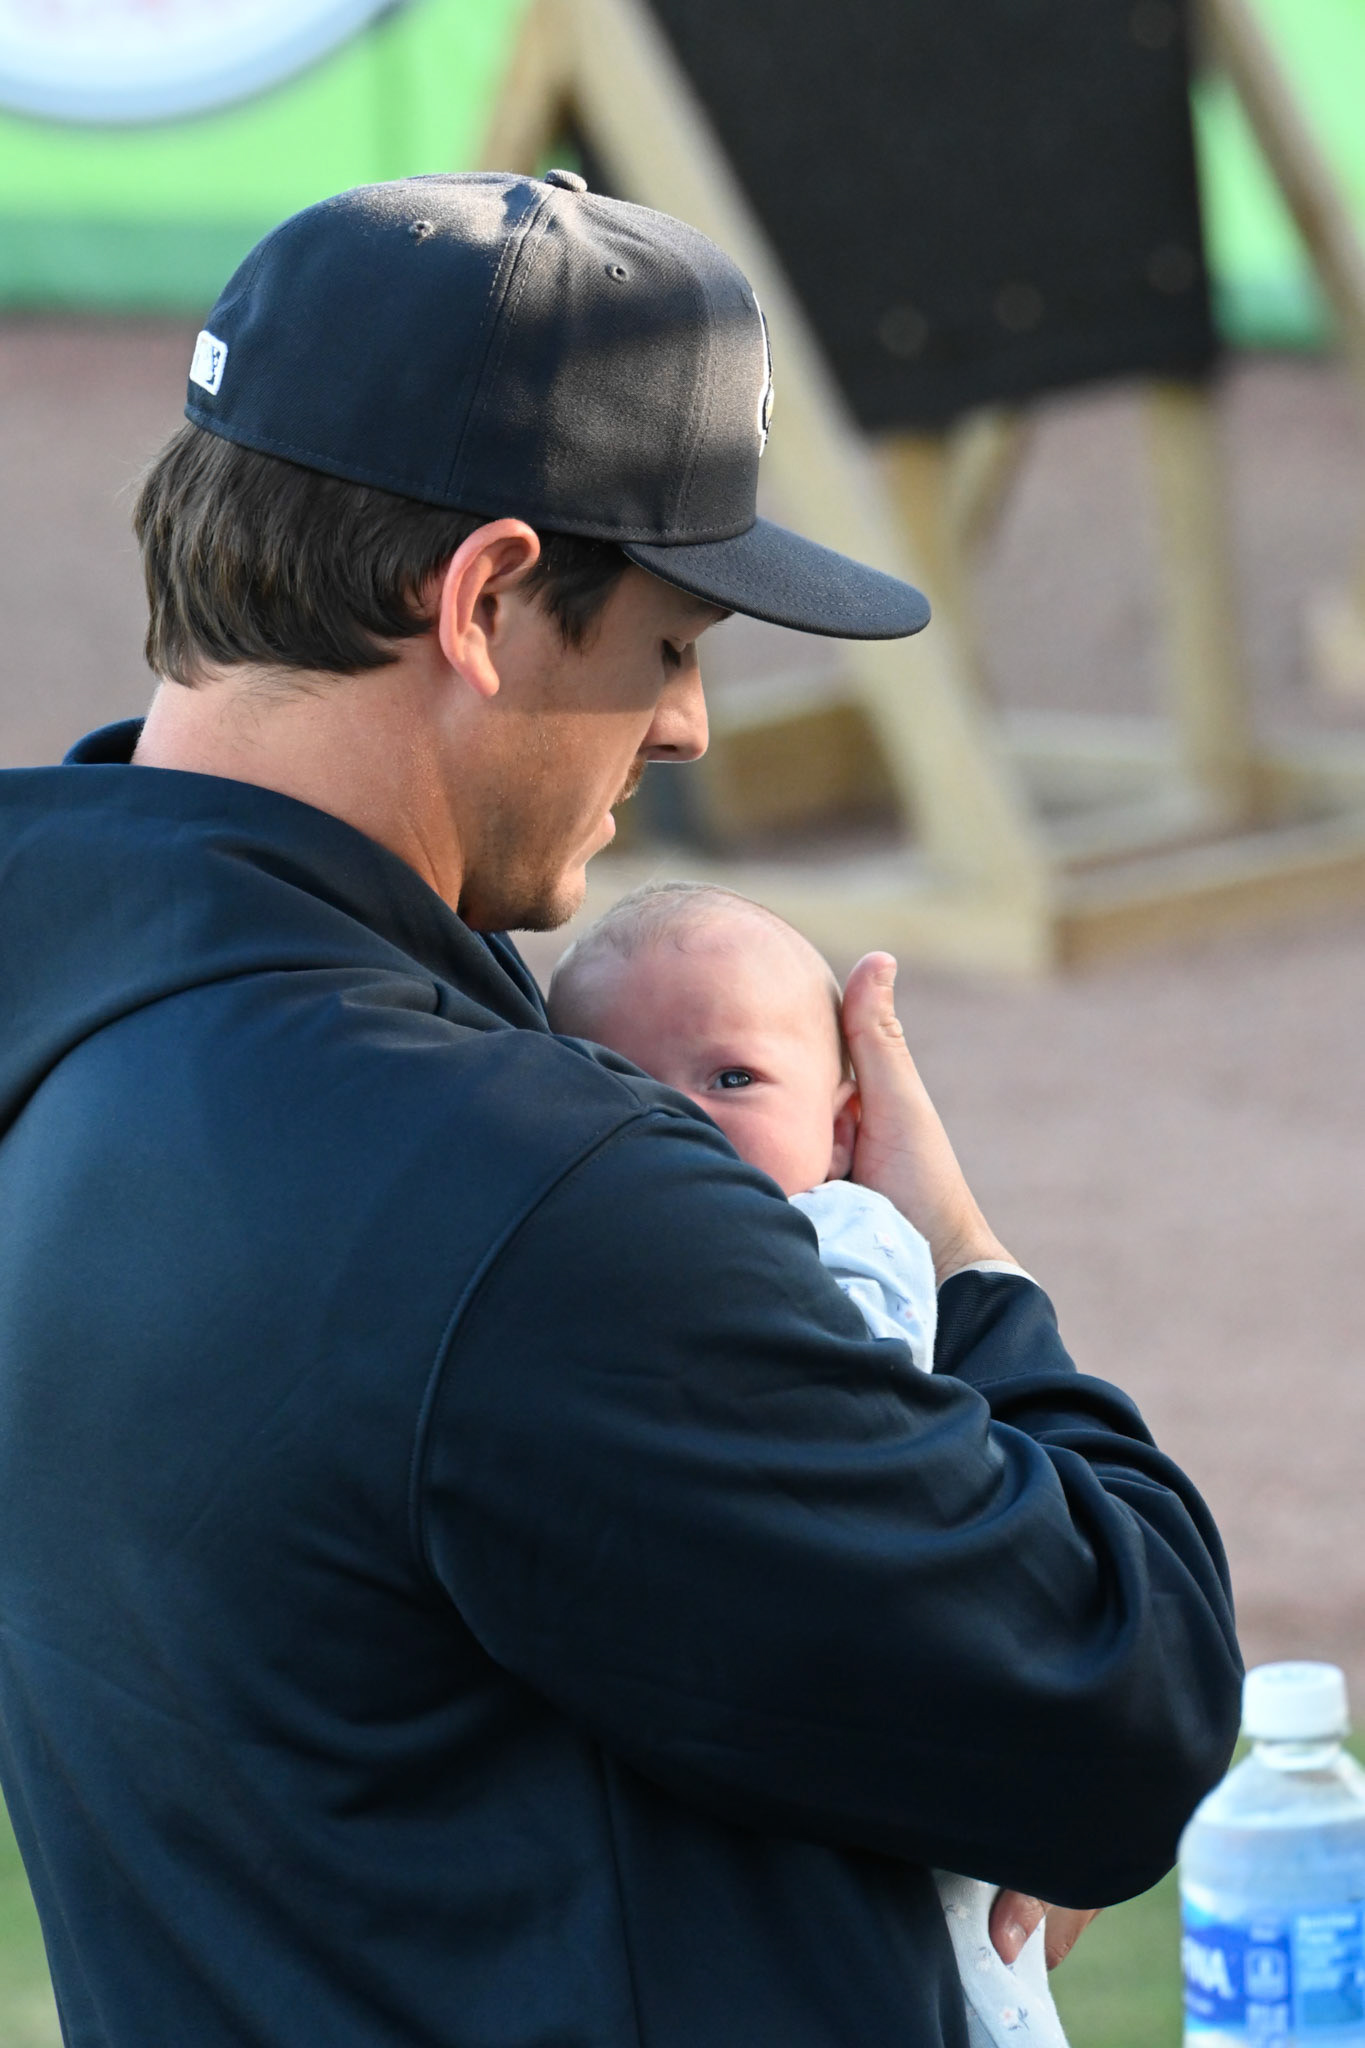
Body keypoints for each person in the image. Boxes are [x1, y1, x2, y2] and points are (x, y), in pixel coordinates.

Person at [0, 171, 1241, 2048]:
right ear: (487, 597)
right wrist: (959, 1261)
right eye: (667, 643)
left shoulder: (67, 1012)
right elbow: (1120, 1698)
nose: (688, 727)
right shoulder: (516, 1193)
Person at [546, 877, 1071, 2048]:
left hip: (908, 1720)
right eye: (619, 1081)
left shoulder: (842, 1237)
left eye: (732, 1077)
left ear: (841, 1126)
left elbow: (847, 1435)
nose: (677, 1116)